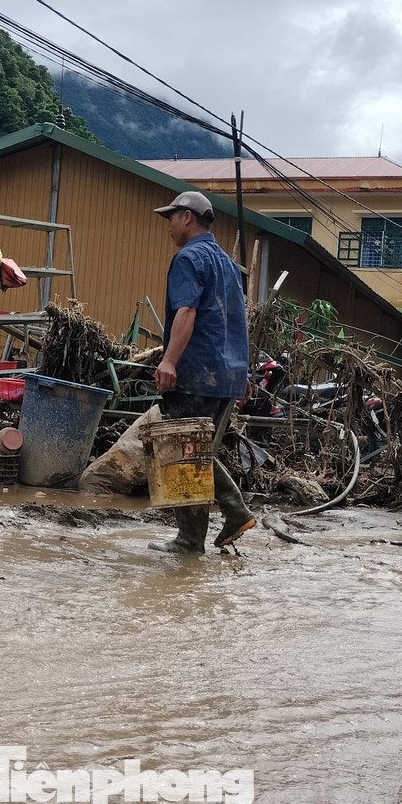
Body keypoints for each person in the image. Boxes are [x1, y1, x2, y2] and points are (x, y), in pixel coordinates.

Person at [149, 191, 257, 553]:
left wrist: (168, 361)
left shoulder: (188, 258)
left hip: (197, 373)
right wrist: (243, 373)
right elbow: (237, 321)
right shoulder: (227, 263)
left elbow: (187, 312)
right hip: (226, 375)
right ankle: (203, 531)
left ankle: (210, 526)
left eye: (171, 217)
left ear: (187, 217)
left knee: (186, 451)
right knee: (196, 450)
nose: (169, 225)